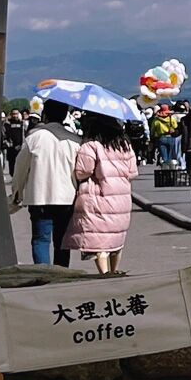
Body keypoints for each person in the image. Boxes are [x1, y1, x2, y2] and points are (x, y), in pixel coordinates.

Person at [67, 110, 138, 274]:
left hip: (99, 197)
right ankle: (114, 271)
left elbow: (83, 172)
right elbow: (133, 172)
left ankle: (105, 275)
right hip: (122, 197)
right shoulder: (124, 145)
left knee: (100, 242)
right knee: (116, 238)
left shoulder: (90, 145)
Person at [10, 99, 80, 265]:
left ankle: (43, 275)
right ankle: (61, 273)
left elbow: (20, 168)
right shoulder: (75, 140)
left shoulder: (34, 138)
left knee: (40, 240)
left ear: (45, 115)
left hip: (39, 196)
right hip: (66, 197)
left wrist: (17, 192)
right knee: (62, 242)